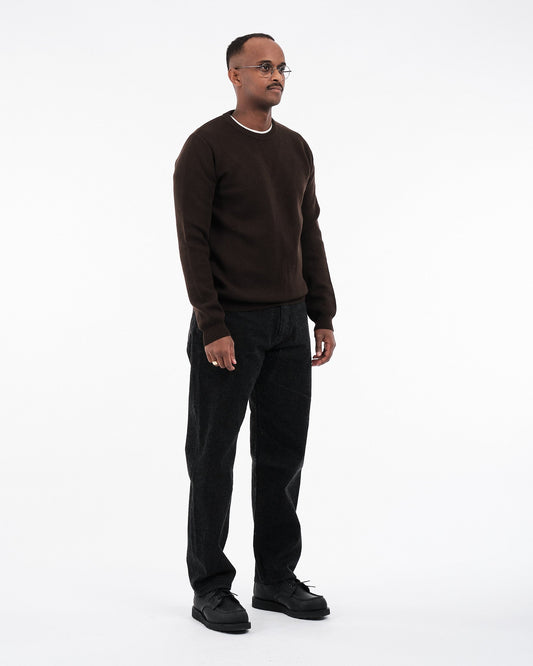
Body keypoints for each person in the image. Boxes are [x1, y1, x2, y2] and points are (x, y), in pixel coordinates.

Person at [172, 32, 337, 633]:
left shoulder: (295, 147)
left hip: (290, 322)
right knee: (213, 456)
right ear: (234, 75)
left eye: (283, 67)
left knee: (283, 454)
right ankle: (211, 586)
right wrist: (211, 323)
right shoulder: (206, 146)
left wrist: (323, 312)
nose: (276, 76)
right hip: (231, 324)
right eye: (264, 66)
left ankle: (275, 578)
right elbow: (192, 241)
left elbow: (307, 231)